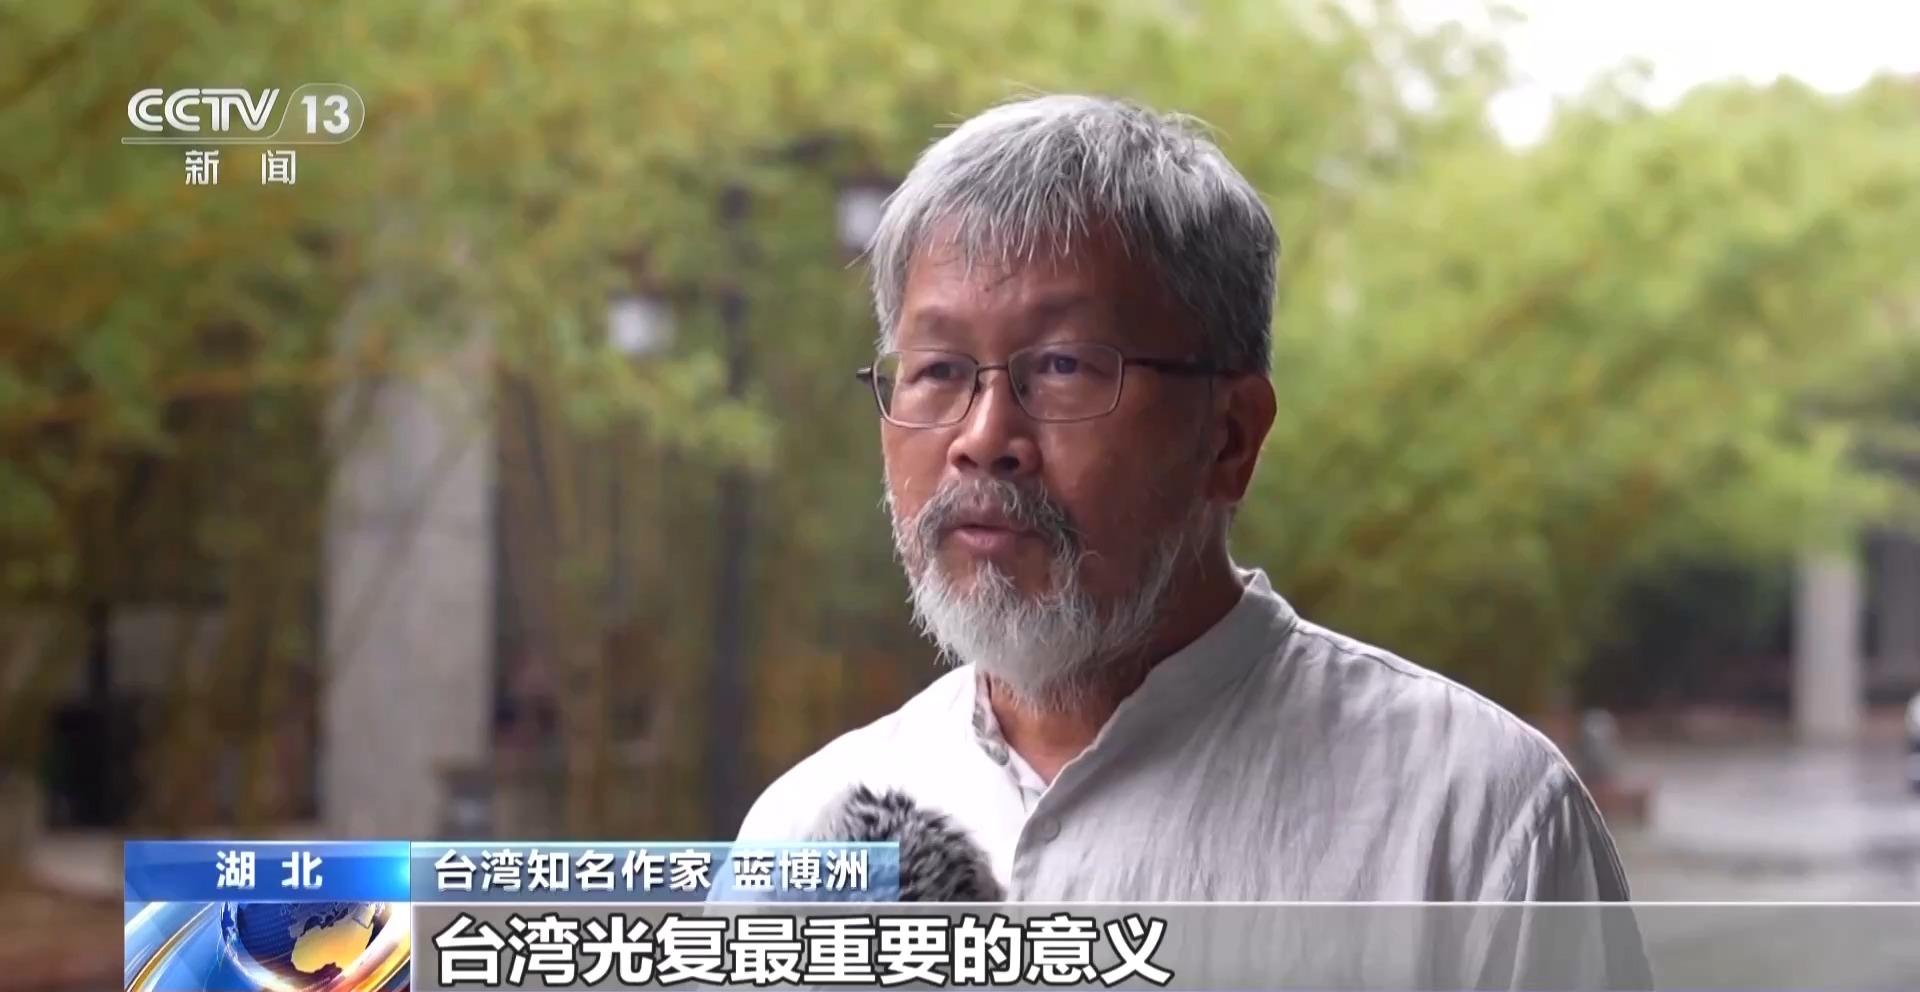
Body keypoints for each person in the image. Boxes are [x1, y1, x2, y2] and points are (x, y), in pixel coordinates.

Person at [733, 93, 1649, 982]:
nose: (983, 438)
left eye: (1063, 365)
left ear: (1230, 436)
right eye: (937, 369)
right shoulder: (805, 834)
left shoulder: (1477, 828)